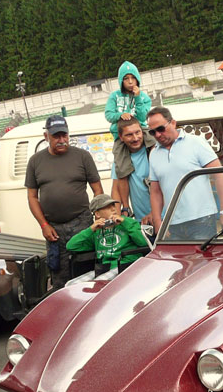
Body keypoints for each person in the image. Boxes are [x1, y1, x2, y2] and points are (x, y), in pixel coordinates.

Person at [24, 115, 103, 290]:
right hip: (53, 228)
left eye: (64, 135)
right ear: (47, 137)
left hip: (82, 223)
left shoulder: (83, 156)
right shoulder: (35, 161)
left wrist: (96, 215)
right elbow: (32, 197)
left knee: (88, 272)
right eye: (56, 136)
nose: (61, 140)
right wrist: (43, 224)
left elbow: (98, 189)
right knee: (59, 276)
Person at [147, 106, 223, 239]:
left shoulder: (196, 142)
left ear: (173, 123)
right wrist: (158, 222)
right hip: (172, 223)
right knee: (178, 260)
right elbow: (155, 191)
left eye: (160, 129)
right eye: (152, 132)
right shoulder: (153, 153)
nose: (158, 134)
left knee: (203, 260)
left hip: (201, 220)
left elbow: (219, 175)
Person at [105, 61, 152, 212]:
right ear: (121, 81)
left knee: (153, 142)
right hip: (119, 136)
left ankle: (154, 163)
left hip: (142, 128)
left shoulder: (143, 96)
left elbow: (143, 115)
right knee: (122, 170)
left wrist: (137, 98)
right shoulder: (114, 96)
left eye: (133, 77)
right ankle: (127, 206)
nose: (130, 81)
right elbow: (108, 114)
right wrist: (120, 115)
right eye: (126, 78)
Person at [66, 194, 149, 273]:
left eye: (113, 205)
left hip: (127, 266)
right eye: (108, 207)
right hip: (104, 269)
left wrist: (124, 222)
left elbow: (144, 242)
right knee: (72, 284)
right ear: (97, 214)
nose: (113, 209)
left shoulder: (128, 222)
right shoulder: (96, 231)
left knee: (97, 282)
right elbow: (71, 246)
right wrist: (90, 229)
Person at [111, 117, 154, 225]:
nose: (135, 138)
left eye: (137, 132)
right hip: (142, 220)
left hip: (167, 216)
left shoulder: (155, 150)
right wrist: (117, 214)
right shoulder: (119, 159)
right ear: (121, 137)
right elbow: (116, 188)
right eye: (129, 135)